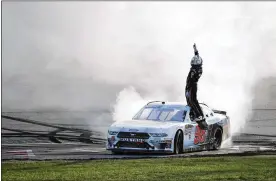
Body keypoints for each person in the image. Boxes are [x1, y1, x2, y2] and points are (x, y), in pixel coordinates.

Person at [185, 44, 208, 130]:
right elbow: (197, 55)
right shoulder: (197, 67)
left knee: (191, 100)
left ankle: (198, 115)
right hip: (191, 86)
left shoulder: (196, 71)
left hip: (191, 86)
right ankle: (198, 114)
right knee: (193, 100)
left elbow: (191, 80)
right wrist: (195, 49)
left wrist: (187, 89)